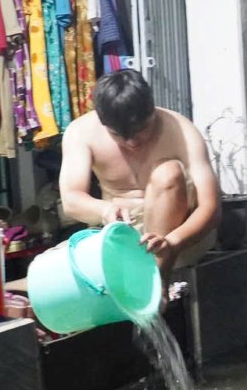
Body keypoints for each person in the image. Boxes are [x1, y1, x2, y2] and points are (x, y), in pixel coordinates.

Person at [59, 70, 220, 295]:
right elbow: (71, 201)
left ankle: (156, 284)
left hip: (179, 236)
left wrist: (172, 242)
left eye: (141, 130)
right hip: (123, 235)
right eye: (117, 135)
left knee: (168, 173)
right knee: (54, 267)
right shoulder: (81, 132)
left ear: (152, 110)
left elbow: (211, 207)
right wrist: (104, 210)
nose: (132, 142)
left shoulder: (181, 130)